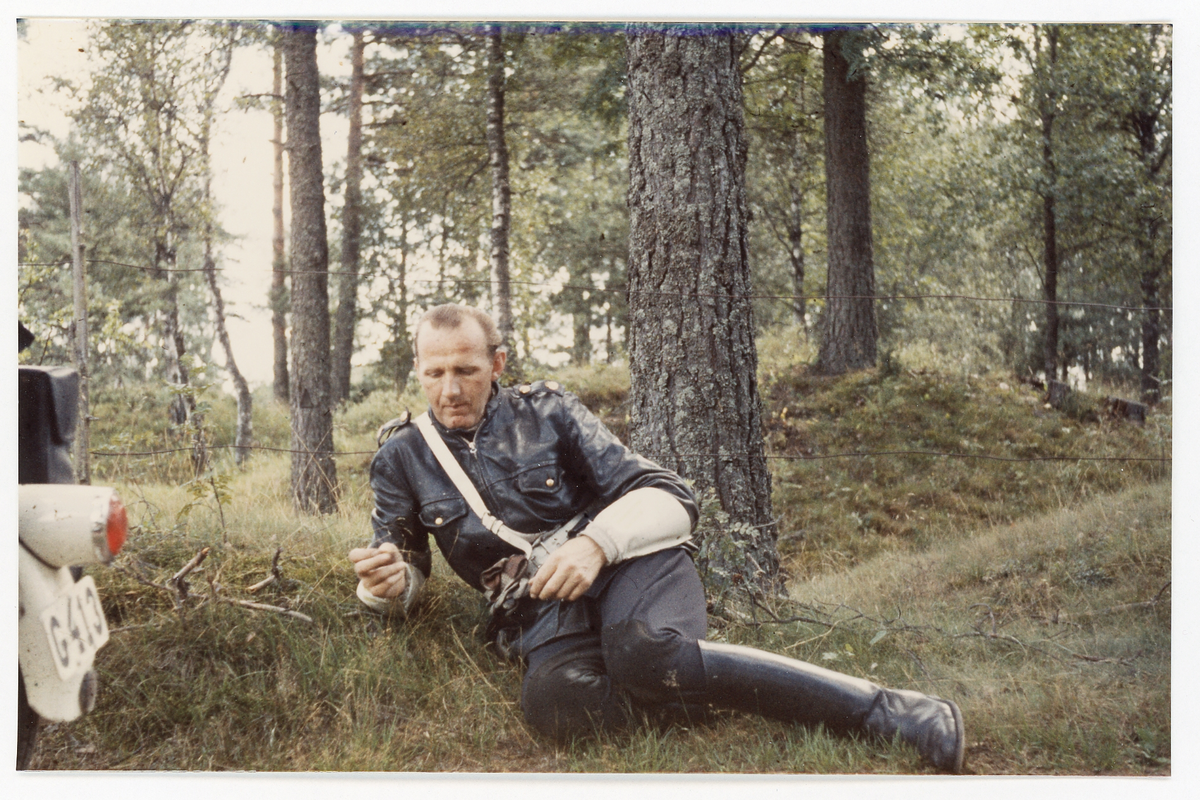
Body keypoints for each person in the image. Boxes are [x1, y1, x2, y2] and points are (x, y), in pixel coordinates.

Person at [349, 303, 965, 773]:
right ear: (417, 370)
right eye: (435, 373)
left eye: (466, 370)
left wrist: (595, 545)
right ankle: (713, 683)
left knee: (643, 653)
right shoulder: (401, 456)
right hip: (542, 608)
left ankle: (887, 711)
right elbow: (403, 568)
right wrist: (389, 586)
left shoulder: (551, 412)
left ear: (498, 364)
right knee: (556, 706)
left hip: (629, 566)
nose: (451, 390)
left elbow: (671, 496)